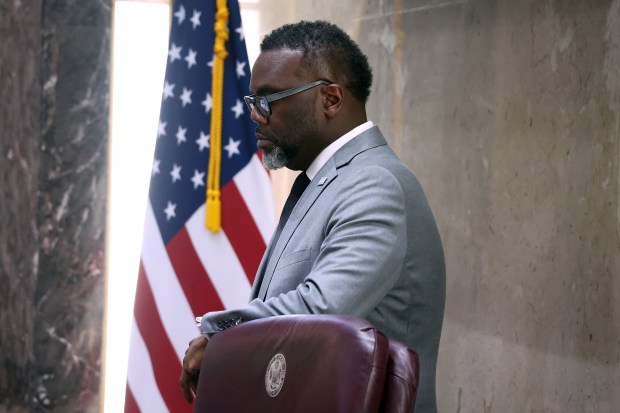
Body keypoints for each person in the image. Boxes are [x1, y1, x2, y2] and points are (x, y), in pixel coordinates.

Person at [180, 20, 446, 413]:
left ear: (331, 99)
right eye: (252, 102)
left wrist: (218, 335)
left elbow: (320, 309)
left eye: (269, 100)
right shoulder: (322, 180)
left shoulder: (374, 184)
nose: (256, 116)